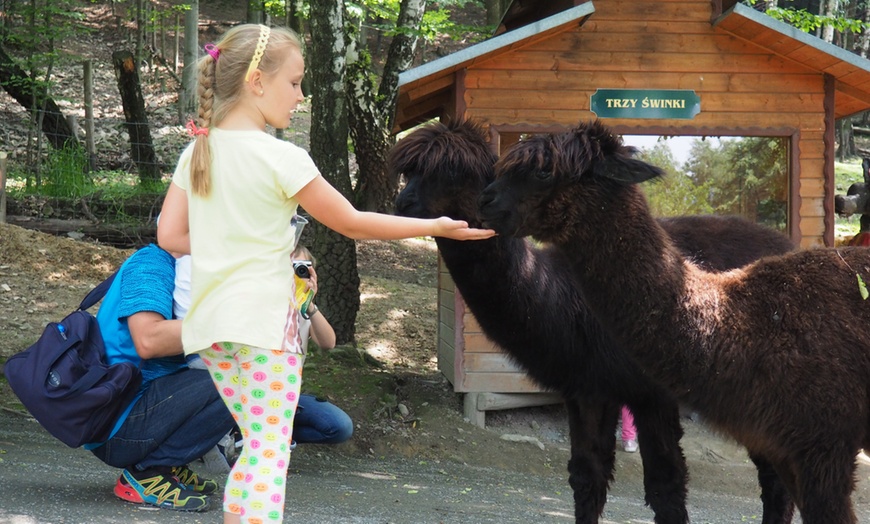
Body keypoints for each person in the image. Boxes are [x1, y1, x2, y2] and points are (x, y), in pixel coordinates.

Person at [156, 23, 493, 524]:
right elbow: (352, 223)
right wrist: (436, 224)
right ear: (256, 82)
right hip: (263, 328)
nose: (300, 95)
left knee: (255, 445)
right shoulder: (282, 157)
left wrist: (232, 248)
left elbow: (169, 236)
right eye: (294, 83)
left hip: (211, 330)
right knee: (269, 452)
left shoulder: (198, 151)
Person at [87, 243, 235, 512]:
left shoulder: (193, 270)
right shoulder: (153, 264)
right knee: (237, 383)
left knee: (242, 375)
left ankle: (170, 466)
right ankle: (148, 472)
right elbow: (149, 340)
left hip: (137, 413)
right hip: (116, 425)